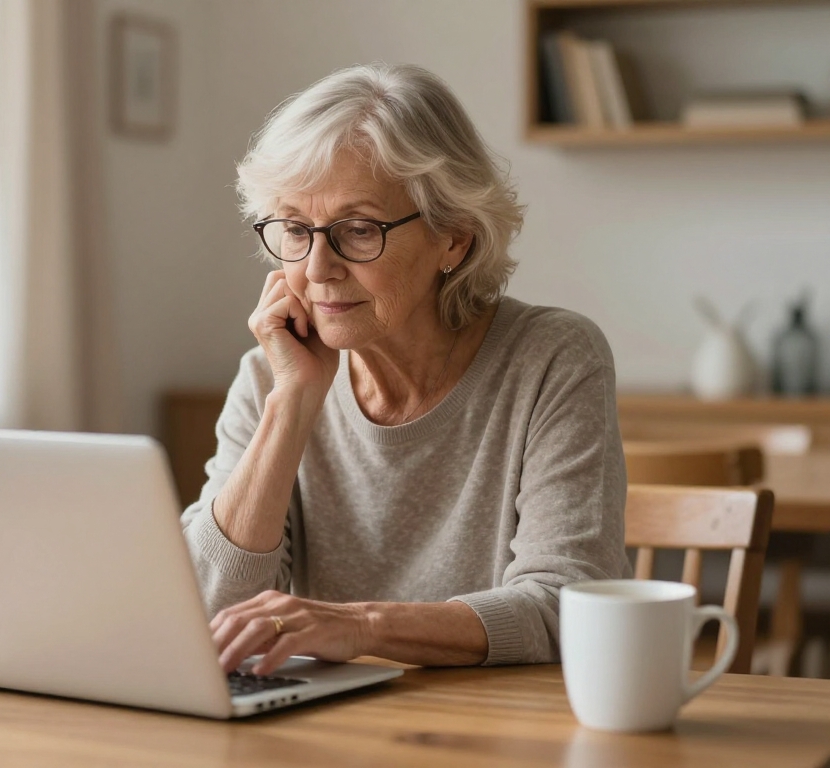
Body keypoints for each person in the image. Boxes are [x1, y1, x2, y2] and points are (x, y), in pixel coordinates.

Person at [180, 63, 629, 678]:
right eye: (294, 228)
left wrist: (360, 626)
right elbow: (208, 614)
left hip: (499, 730)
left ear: (455, 239)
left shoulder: (551, 357)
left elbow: (564, 605)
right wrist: (291, 405)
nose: (316, 269)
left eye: (358, 230)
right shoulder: (269, 377)